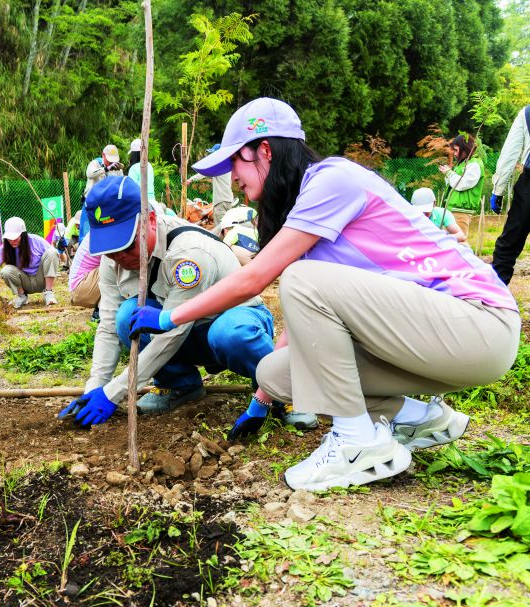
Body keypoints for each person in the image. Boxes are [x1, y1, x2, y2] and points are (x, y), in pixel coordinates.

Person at [129, 98, 519, 491]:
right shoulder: (309, 215)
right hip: (434, 340)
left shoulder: (332, 179)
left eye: (236, 164)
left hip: (479, 324)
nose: (233, 179)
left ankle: (356, 442)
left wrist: (168, 317)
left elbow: (258, 277)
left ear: (265, 150)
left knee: (299, 277)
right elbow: (306, 327)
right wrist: (263, 397)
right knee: (277, 372)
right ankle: (418, 417)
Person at [57, 175, 295, 423]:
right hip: (187, 334)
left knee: (229, 333)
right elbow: (107, 327)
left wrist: (115, 392)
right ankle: (181, 385)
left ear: (149, 220)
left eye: (126, 245)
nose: (119, 256)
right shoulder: (112, 259)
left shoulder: (187, 254)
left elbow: (173, 332)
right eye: (111, 249)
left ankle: (282, 391)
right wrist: (95, 388)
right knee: (126, 317)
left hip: (234, 320)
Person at [0, 217, 59, 308]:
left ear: (23, 235)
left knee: (52, 252)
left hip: (41, 280)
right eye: (9, 238)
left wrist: (60, 249)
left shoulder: (36, 241)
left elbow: (54, 256)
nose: (12, 241)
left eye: (15, 237)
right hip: (24, 283)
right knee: (6, 270)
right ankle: (22, 296)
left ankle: (48, 293)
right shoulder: (5, 248)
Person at [490, 105, 530, 284]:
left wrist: (498, 190)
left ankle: (494, 303)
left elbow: (510, 152)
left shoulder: (527, 112)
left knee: (508, 244)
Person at [188, 143, 238, 226]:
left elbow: (204, 172)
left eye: (214, 153)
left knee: (221, 228)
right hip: (228, 200)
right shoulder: (227, 166)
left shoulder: (218, 166)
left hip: (221, 201)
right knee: (227, 226)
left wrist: (190, 179)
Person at [439, 134, 484, 215]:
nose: (455, 154)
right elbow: (452, 184)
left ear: (465, 148)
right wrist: (447, 173)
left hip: (462, 211)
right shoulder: (462, 163)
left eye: (456, 150)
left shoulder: (474, 164)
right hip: (453, 209)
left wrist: (449, 173)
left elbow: (462, 184)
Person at [68, 232, 102, 310]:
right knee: (117, 259)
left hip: (81, 285)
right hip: (80, 286)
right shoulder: (104, 229)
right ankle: (104, 307)